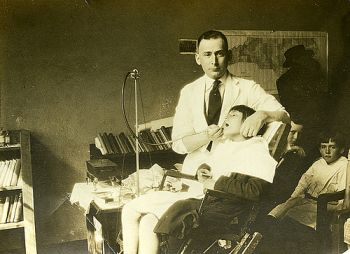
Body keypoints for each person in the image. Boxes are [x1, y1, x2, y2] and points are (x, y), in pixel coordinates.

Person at [121, 105, 277, 254]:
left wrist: (217, 183)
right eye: (227, 114)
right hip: (201, 197)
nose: (227, 117)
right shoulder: (228, 145)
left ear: (247, 123)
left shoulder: (256, 151)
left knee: (131, 210)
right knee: (147, 220)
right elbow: (212, 164)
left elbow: (254, 192)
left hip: (212, 206)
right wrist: (203, 169)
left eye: (234, 115)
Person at [171, 30, 289, 168]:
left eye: (219, 54)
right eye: (207, 54)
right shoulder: (189, 92)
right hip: (195, 168)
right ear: (198, 58)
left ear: (229, 56)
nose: (214, 61)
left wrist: (262, 114)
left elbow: (285, 116)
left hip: (234, 168)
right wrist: (207, 137)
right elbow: (178, 144)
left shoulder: (248, 88)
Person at [266, 130, 347, 254]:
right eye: (323, 147)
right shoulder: (318, 162)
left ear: (341, 150)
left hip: (325, 207)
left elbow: (344, 196)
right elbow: (304, 181)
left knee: (301, 227)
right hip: (307, 201)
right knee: (281, 213)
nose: (327, 151)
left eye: (332, 147)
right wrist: (292, 199)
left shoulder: (345, 165)